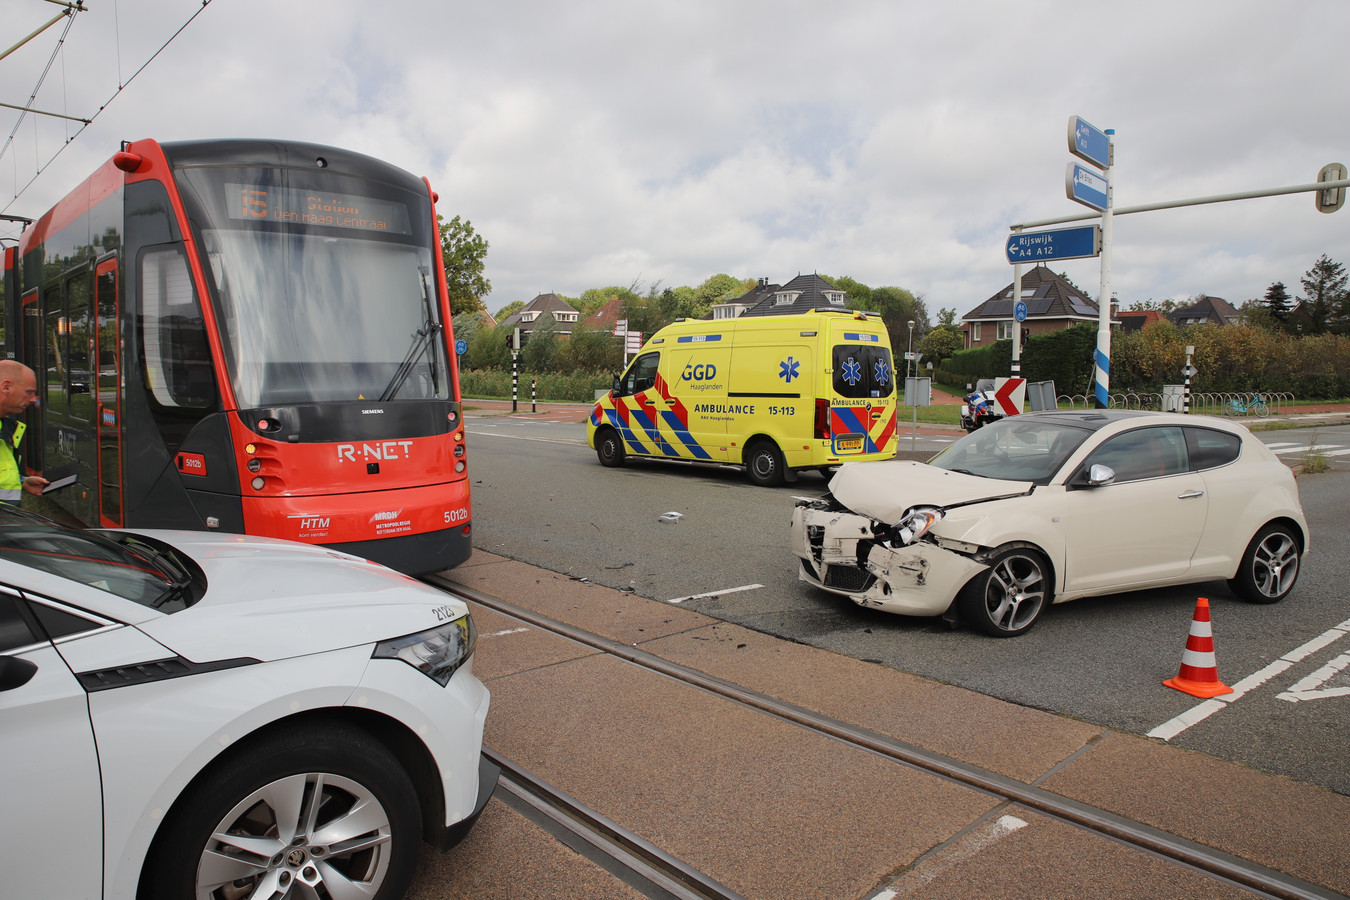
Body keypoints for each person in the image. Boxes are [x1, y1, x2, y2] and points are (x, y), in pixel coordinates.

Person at [0, 360, 49, 504]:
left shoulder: (4, 426)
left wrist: (22, 481)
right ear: (6, 387)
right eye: (29, 392)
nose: (34, 400)